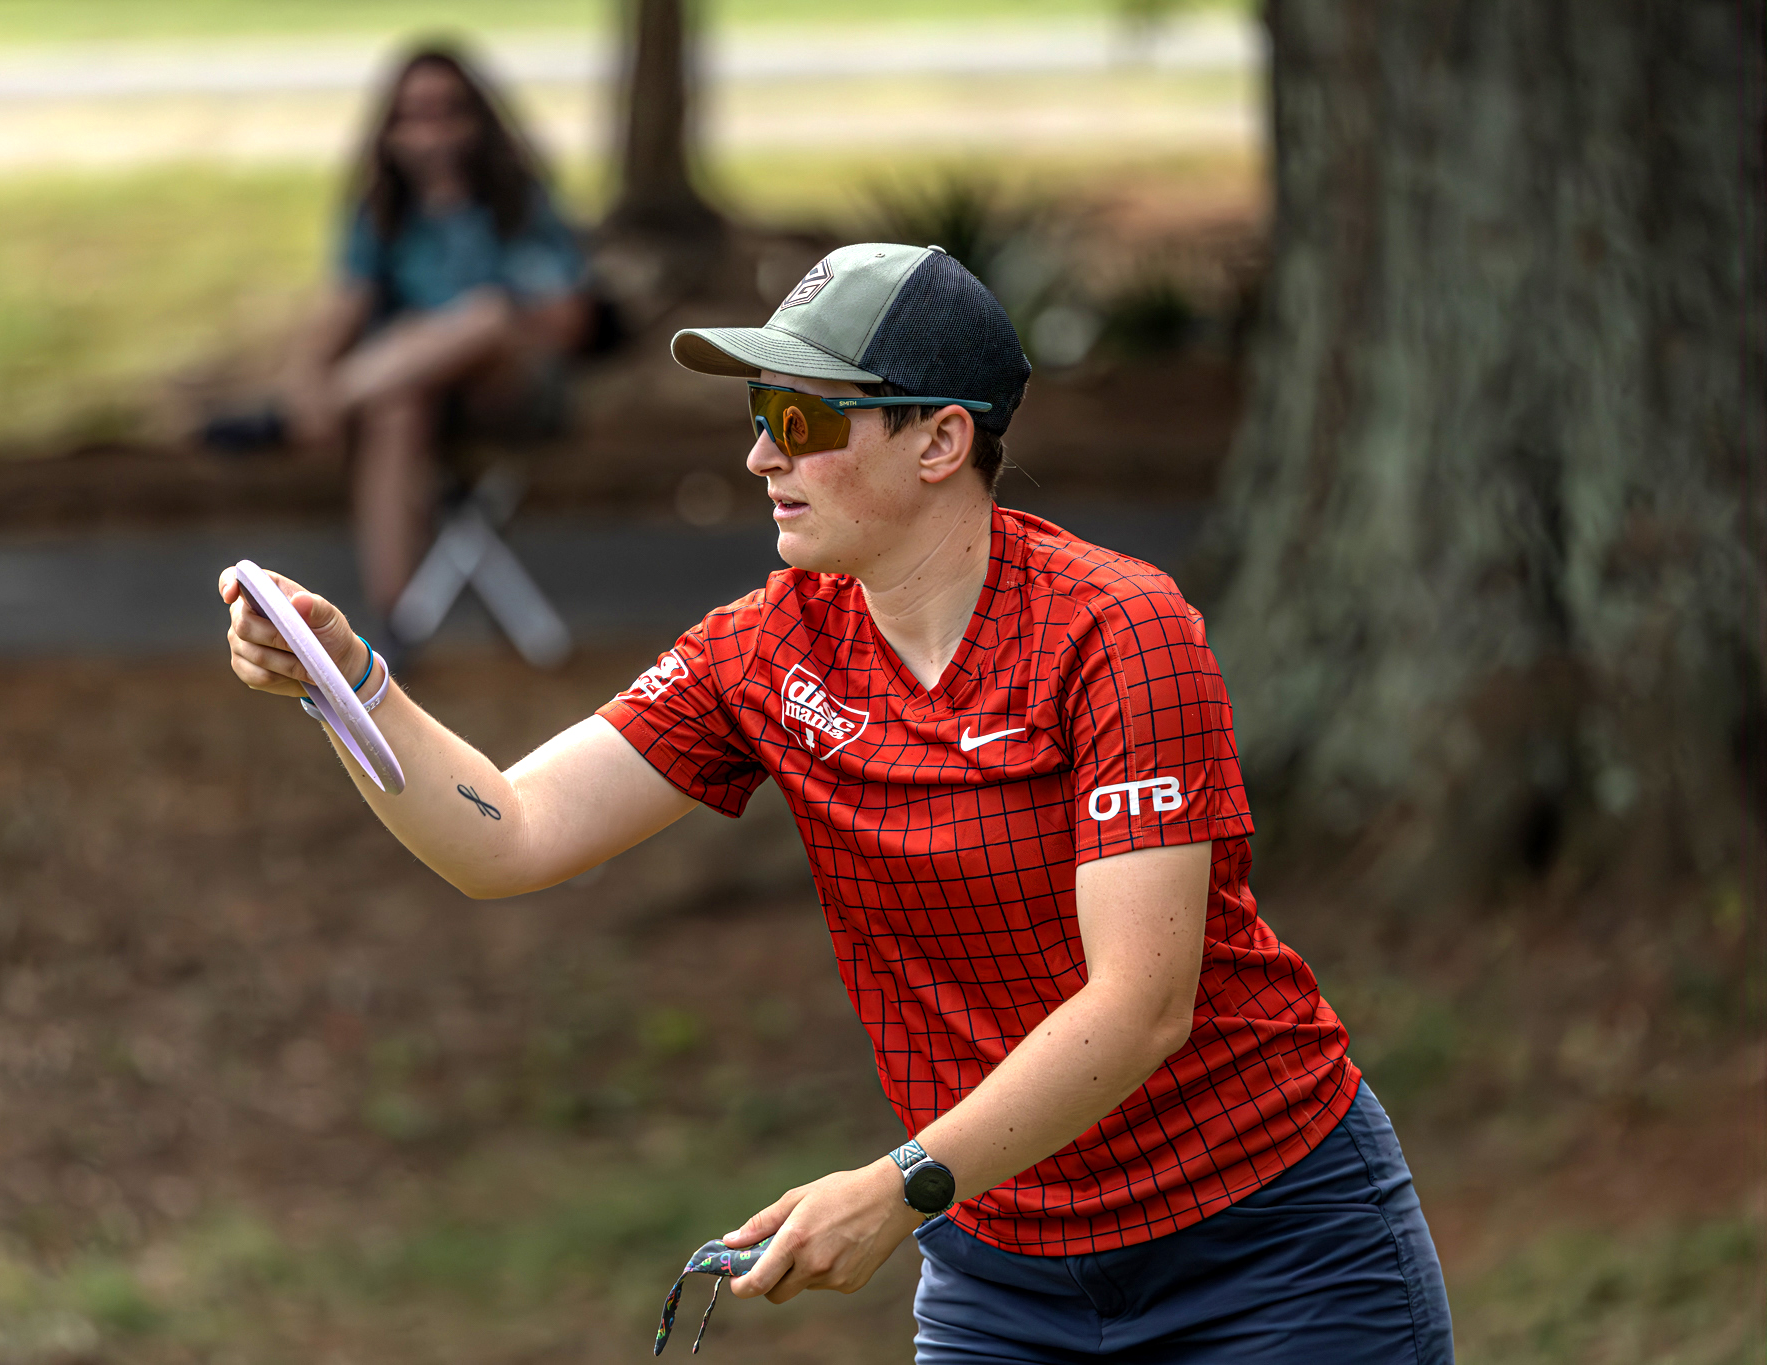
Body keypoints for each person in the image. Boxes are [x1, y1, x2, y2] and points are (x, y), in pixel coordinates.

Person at [220, 243, 1455, 1362]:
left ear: (939, 442)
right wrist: (348, 688)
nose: (762, 453)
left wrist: (898, 1187)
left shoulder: (1116, 628)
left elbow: (1140, 1004)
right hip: (1003, 1271)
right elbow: (511, 836)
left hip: (1269, 1250)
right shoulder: (763, 648)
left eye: (803, 415)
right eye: (761, 413)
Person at [275, 46, 588, 628]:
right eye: (415, 116)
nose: (433, 132)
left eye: (448, 112)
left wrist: (464, 329)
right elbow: (345, 305)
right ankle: (393, 626)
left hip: (512, 387)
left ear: (479, 119)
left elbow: (565, 319)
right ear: (390, 129)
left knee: (485, 315)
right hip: (413, 391)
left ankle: (324, 404)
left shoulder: (519, 201)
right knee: (395, 407)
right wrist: (304, 371)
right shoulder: (383, 210)